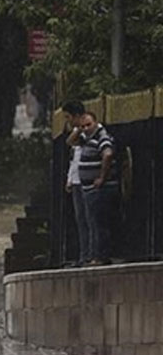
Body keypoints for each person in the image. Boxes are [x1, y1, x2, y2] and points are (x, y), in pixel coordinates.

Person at [77, 111, 118, 266]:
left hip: (99, 190)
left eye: (89, 124)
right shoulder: (86, 138)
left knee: (98, 224)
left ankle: (100, 256)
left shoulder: (102, 137)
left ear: (96, 123)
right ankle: (95, 255)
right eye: (83, 126)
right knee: (92, 223)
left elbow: (107, 154)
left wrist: (102, 177)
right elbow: (70, 141)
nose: (86, 128)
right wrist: (78, 131)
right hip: (89, 189)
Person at [61, 100, 89, 265]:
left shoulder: (86, 133)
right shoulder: (79, 135)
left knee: (87, 220)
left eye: (68, 117)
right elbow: (74, 157)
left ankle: (88, 255)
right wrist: (70, 178)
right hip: (77, 180)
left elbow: (70, 142)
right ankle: (83, 254)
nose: (68, 121)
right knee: (81, 220)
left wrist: (79, 127)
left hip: (86, 181)